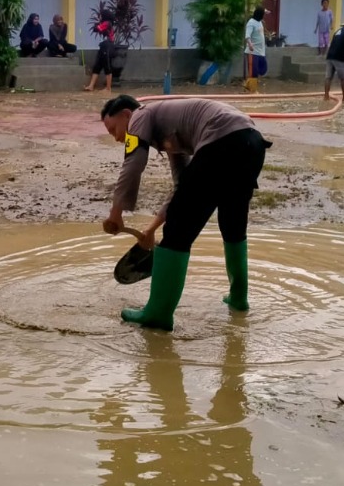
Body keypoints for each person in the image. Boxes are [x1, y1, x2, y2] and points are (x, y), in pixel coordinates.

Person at [100, 95, 271, 332]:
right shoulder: (171, 132)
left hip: (222, 141)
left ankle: (157, 314)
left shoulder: (140, 115)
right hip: (251, 143)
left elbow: (134, 162)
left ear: (126, 115)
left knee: (177, 232)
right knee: (232, 223)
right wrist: (150, 229)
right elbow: (182, 187)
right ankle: (238, 299)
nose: (117, 137)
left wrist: (116, 212)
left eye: (113, 129)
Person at [324, 15, 344, 102]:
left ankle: (326, 96)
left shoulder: (338, 31)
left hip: (330, 56)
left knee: (328, 77)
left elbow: (335, 43)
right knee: (343, 78)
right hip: (339, 57)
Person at [85, 19, 116, 92]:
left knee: (107, 66)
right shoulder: (105, 23)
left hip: (107, 46)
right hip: (103, 46)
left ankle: (108, 88)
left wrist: (97, 25)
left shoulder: (107, 22)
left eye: (101, 16)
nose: (99, 17)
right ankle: (91, 86)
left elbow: (97, 29)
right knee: (97, 66)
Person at [243, 7, 268, 93]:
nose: (263, 16)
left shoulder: (259, 21)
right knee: (253, 72)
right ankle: (252, 91)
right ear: (259, 15)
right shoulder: (251, 23)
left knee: (263, 69)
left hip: (261, 52)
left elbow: (263, 10)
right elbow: (247, 36)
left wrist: (266, 11)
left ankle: (247, 85)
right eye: (263, 15)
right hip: (252, 51)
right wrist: (250, 44)